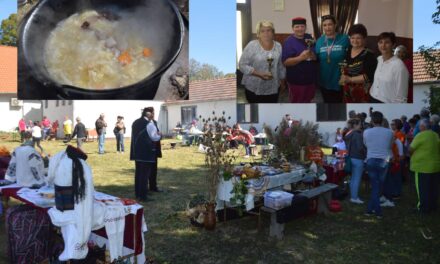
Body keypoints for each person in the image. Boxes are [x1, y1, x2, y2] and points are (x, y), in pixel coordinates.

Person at [46, 145, 94, 260]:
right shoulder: (83, 165)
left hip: (64, 202)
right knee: (79, 222)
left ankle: (72, 249)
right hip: (76, 203)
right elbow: (89, 189)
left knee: (71, 225)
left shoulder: (60, 158)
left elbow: (51, 178)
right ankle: (74, 250)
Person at [239, 20, 286, 103]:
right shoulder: (252, 45)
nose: (266, 33)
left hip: (273, 87)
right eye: (262, 31)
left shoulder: (278, 46)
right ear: (258, 34)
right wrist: (259, 74)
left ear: (273, 32)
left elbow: (280, 66)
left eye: (269, 30)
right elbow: (242, 65)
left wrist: (282, 82)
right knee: (255, 112)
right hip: (254, 87)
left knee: (270, 112)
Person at [363, 111, 394, 218]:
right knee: (378, 186)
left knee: (375, 187)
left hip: (371, 159)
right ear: (382, 120)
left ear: (372, 121)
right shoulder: (390, 132)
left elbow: (366, 145)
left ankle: (370, 210)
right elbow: (390, 147)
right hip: (384, 160)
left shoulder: (366, 132)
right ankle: (377, 212)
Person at [315, 15, 349, 103]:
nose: (327, 27)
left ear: (335, 25)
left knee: (339, 106)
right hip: (324, 80)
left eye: (330, 24)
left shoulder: (344, 39)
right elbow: (316, 58)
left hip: (340, 81)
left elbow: (351, 56)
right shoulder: (319, 41)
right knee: (327, 104)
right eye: (324, 25)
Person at [282, 17, 317, 103]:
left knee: (308, 102)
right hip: (296, 81)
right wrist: (301, 58)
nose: (300, 29)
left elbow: (316, 57)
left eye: (302, 26)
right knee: (297, 104)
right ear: (292, 28)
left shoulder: (309, 38)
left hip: (310, 80)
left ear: (305, 27)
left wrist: (313, 56)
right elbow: (286, 62)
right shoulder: (288, 42)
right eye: (297, 26)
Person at [339, 24, 377, 103]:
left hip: (362, 93)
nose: (355, 41)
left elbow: (369, 77)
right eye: (352, 38)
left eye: (358, 38)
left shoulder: (369, 55)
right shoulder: (347, 50)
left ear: (364, 39)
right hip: (347, 90)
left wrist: (350, 79)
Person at [130, 107, 162, 201]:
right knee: (144, 175)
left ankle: (138, 194)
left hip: (137, 152)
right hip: (147, 152)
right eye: (153, 113)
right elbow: (154, 137)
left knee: (139, 174)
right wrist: (160, 135)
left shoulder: (135, 122)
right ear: (149, 114)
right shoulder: (149, 124)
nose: (153, 115)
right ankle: (143, 196)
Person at [410, 119, 440, 214]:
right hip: (435, 166)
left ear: (423, 127)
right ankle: (433, 206)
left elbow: (411, 149)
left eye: (420, 126)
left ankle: (423, 208)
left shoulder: (420, 135)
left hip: (422, 166)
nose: (419, 127)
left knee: (422, 189)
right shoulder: (435, 135)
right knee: (433, 188)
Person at [369, 32, 409, 103]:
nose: (383, 45)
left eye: (387, 42)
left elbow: (402, 97)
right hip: (372, 98)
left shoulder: (399, 66)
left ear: (393, 45)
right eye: (380, 42)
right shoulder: (379, 59)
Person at [344, 118, 366, 204]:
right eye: (359, 124)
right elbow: (360, 148)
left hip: (350, 157)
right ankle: (354, 197)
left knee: (353, 178)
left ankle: (353, 195)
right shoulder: (357, 134)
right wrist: (365, 153)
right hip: (358, 158)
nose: (361, 126)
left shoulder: (349, 133)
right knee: (356, 179)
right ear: (355, 125)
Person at [147, 108, 163, 193]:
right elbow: (152, 136)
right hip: (149, 148)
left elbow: (157, 132)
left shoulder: (155, 122)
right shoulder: (146, 123)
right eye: (152, 113)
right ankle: (148, 186)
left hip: (155, 148)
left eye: (154, 113)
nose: (153, 115)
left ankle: (153, 186)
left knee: (154, 169)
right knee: (149, 169)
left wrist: (159, 134)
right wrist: (158, 135)